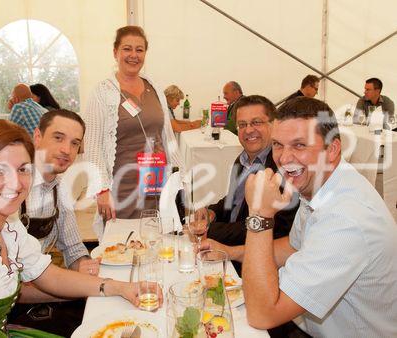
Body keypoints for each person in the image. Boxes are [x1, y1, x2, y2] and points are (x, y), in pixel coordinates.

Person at [0, 120, 161, 337]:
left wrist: (119, 287)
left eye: (22, 170)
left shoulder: (8, 225)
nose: (15, 183)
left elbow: (47, 275)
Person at [241, 97, 397, 337]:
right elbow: (293, 248)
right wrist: (231, 253)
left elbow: (262, 315)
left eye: (299, 145)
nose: (283, 158)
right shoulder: (321, 183)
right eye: (278, 145)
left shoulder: (347, 221)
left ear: (332, 149)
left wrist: (259, 216)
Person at [8, 109, 100, 336]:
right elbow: (10, 287)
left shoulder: (61, 190)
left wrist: (87, 267)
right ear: (37, 137)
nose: (66, 150)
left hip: (41, 291)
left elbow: (73, 248)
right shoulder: (11, 188)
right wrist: (80, 288)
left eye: (74, 143)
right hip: (3, 310)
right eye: (58, 138)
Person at [83, 26, 182, 230]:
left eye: (139, 50)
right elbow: (92, 145)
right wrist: (101, 189)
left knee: (157, 240)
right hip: (122, 187)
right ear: (115, 52)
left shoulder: (154, 88)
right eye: (127, 49)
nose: (133, 55)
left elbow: (167, 136)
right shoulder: (102, 92)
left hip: (156, 183)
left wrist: (179, 174)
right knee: (122, 247)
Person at [198, 95, 298, 275]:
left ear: (273, 124)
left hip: (256, 262)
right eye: (242, 125)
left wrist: (210, 230)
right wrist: (211, 211)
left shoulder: (282, 166)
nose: (248, 130)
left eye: (256, 122)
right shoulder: (242, 160)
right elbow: (233, 201)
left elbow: (274, 226)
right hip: (227, 251)